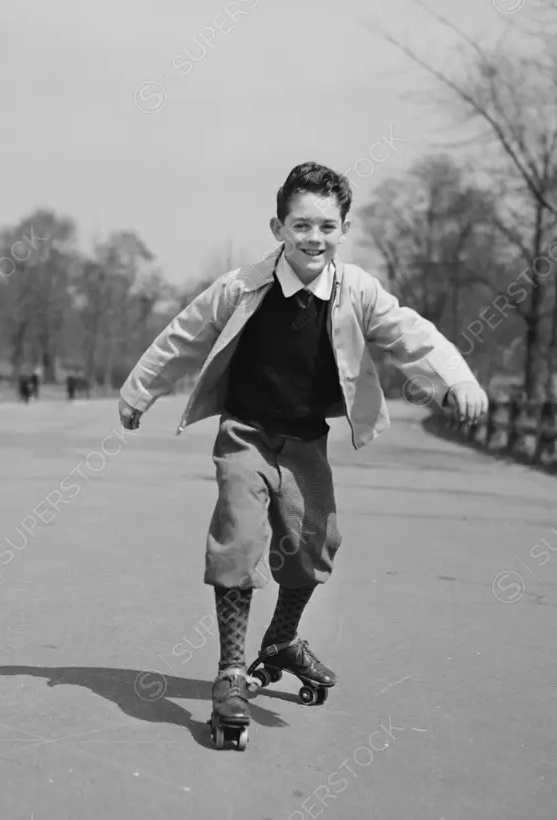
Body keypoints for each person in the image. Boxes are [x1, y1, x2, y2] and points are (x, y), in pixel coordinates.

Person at [117, 162, 487, 750]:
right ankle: (232, 671)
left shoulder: (356, 291)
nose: (314, 238)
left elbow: (410, 334)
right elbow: (183, 334)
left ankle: (282, 639)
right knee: (238, 535)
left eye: (327, 226)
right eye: (301, 224)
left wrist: (456, 379)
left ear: (344, 229)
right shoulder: (243, 285)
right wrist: (139, 390)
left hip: (306, 440)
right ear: (278, 227)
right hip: (246, 432)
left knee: (316, 542)